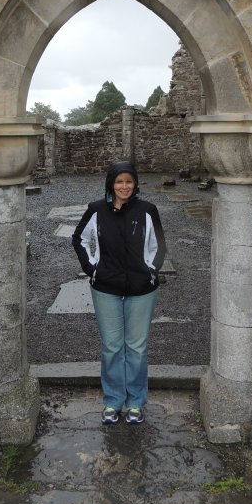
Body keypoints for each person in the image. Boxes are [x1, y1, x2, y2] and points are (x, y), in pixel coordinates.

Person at [72, 160, 166, 425]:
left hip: (142, 289)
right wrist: (92, 269)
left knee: (136, 348)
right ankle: (113, 401)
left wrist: (150, 270)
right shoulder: (96, 210)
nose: (124, 186)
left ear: (135, 184)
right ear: (111, 184)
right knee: (112, 347)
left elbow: (160, 245)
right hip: (106, 288)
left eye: (129, 181)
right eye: (119, 181)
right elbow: (78, 238)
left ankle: (136, 402)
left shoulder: (148, 210)